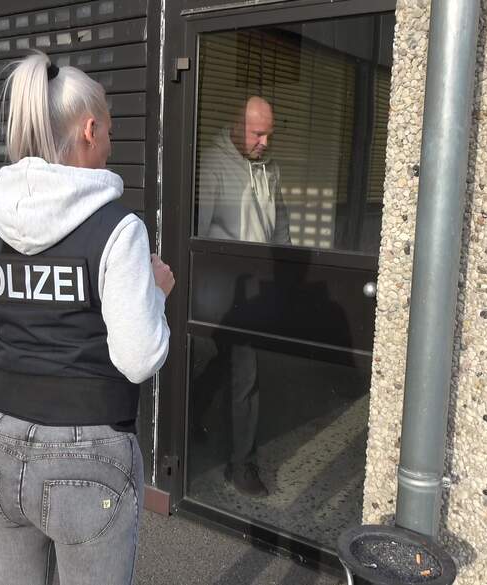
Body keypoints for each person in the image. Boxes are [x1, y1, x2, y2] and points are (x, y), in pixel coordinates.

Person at [0, 51, 173, 585]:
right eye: (109, 130)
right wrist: (156, 293)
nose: (110, 143)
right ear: (89, 130)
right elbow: (138, 359)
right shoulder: (118, 229)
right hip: (89, 457)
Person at [193, 96, 291, 497]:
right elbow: (197, 232)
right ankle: (240, 464)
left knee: (232, 365)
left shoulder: (270, 168)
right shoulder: (213, 165)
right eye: (257, 133)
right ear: (238, 125)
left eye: (269, 134)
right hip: (223, 287)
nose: (265, 142)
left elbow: (280, 224)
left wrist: (286, 274)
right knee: (241, 371)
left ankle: (194, 416)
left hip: (257, 285)